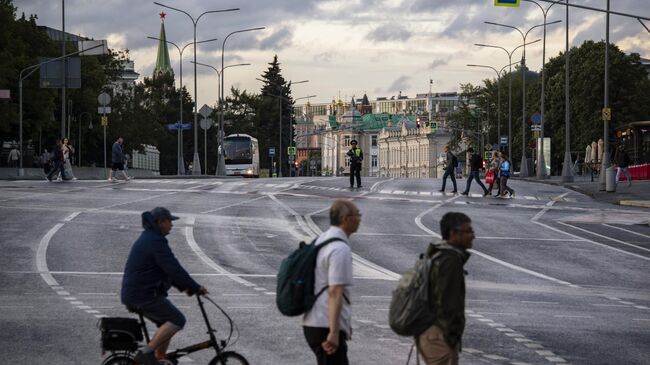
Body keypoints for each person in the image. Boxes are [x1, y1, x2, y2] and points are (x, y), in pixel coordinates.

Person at [121, 207, 207, 365]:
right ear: (161, 222)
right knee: (177, 319)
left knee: (165, 322)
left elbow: (166, 272)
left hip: (138, 293)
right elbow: (173, 268)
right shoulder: (155, 242)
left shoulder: (150, 238)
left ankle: (159, 358)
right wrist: (195, 287)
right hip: (143, 295)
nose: (171, 225)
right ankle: (146, 353)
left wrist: (186, 287)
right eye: (169, 221)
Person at [303, 199, 360, 365]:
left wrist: (344, 324)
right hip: (325, 323)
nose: (359, 219)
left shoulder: (322, 239)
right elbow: (335, 291)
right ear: (345, 219)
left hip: (313, 320)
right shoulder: (339, 249)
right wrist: (334, 331)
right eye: (357, 215)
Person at [418, 212, 473, 365]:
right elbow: (448, 303)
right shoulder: (450, 260)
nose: (472, 236)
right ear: (453, 233)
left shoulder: (440, 254)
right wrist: (452, 337)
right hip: (440, 336)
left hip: (432, 333)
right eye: (468, 231)